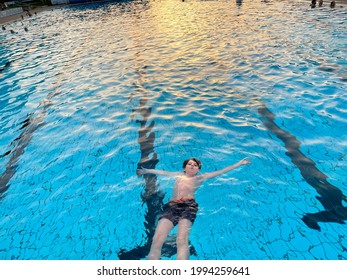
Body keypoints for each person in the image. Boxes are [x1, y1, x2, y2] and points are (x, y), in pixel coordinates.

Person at [137, 157, 251, 260]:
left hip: (188, 206)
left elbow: (221, 171)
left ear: (198, 170)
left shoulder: (200, 177)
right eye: (189, 164)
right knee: (157, 238)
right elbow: (162, 172)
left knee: (181, 239)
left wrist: (239, 163)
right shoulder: (178, 175)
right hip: (171, 206)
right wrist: (146, 171)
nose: (192, 165)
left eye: (195, 165)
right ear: (184, 167)